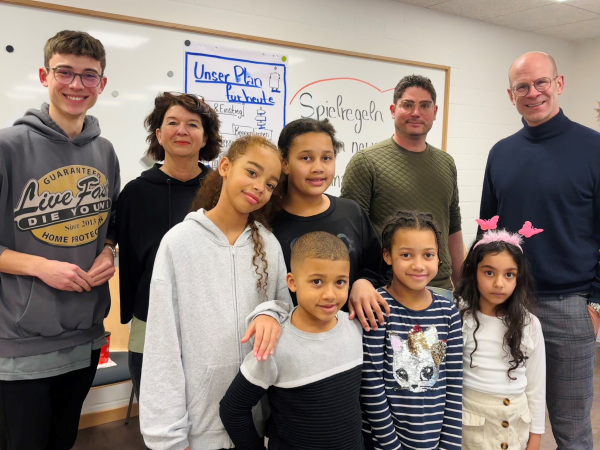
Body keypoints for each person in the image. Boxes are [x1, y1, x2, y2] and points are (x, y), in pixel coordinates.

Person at [0, 30, 120, 449]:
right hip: (20, 342)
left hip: (85, 334)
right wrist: (40, 266)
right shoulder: (7, 146)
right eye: (64, 72)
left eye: (89, 76)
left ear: (101, 84)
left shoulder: (104, 151)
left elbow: (107, 230)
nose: (76, 85)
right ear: (43, 75)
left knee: (62, 440)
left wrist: (109, 252)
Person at [139, 135, 293, 450]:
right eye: (252, 172)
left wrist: (270, 314)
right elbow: (162, 343)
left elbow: (286, 313)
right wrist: (167, 436)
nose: (259, 187)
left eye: (270, 183)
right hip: (197, 431)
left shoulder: (270, 245)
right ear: (225, 166)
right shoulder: (179, 242)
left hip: (254, 428)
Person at [479, 51, 600, 450]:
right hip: (508, 304)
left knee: (571, 427)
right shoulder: (500, 154)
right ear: (510, 95)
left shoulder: (593, 148)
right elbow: (489, 234)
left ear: (559, 83)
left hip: (570, 307)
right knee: (506, 417)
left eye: (541, 82)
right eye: (522, 87)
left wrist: (597, 302)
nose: (533, 93)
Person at [117, 92, 221, 402]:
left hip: (211, 319)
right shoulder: (135, 193)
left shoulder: (223, 190)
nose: (182, 131)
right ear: (159, 135)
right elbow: (130, 260)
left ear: (205, 138)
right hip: (150, 318)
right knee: (158, 413)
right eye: (172, 123)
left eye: (193, 124)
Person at [220, 231, 364, 449]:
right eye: (317, 281)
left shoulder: (356, 327)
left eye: (340, 282)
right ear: (292, 282)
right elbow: (232, 409)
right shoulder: (274, 344)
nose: (330, 294)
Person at [341, 75, 464, 297]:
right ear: (393, 109)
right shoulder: (366, 162)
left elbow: (453, 227)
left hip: (440, 289)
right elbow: (350, 234)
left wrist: (463, 286)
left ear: (435, 112)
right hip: (383, 290)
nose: (416, 113)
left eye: (424, 106)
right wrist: (358, 284)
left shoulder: (447, 163)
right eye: (407, 105)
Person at [271, 117, 387, 330]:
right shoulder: (268, 220)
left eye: (326, 158)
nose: (318, 168)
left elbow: (377, 267)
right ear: (285, 163)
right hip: (286, 344)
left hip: (349, 344)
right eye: (306, 158)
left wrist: (364, 282)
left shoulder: (351, 213)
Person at [361, 210, 462, 450]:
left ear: (439, 257)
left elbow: (455, 383)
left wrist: (449, 445)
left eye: (428, 255)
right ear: (388, 256)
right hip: (384, 442)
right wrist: (391, 446)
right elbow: (372, 385)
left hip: (435, 440)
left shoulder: (448, 312)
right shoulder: (378, 307)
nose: (418, 265)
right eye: (406, 255)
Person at [456, 220, 546, 450]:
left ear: (519, 278)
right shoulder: (458, 316)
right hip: (471, 427)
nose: (499, 283)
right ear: (473, 272)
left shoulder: (530, 324)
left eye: (509, 275)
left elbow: (536, 387)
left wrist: (535, 438)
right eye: (489, 272)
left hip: (517, 426)